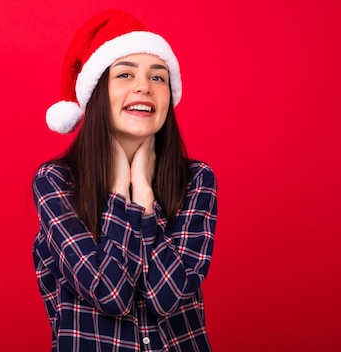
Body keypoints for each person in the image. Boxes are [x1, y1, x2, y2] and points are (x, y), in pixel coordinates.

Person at [31, 9, 218, 352]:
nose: (144, 86)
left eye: (158, 77)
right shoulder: (56, 182)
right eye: (125, 75)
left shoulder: (197, 181)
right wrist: (120, 193)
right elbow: (110, 293)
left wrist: (144, 197)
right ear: (97, 93)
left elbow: (167, 298)